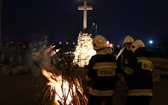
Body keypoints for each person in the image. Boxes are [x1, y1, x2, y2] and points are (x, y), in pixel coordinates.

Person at [85, 35, 119, 105]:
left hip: (96, 93)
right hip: (109, 93)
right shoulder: (112, 58)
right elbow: (117, 74)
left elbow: (90, 76)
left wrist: (86, 80)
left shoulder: (94, 59)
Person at [124, 39, 153, 105]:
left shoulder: (135, 58)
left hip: (135, 93)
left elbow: (127, 73)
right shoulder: (149, 61)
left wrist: (128, 82)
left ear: (135, 48)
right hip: (148, 94)